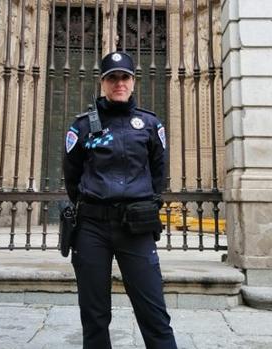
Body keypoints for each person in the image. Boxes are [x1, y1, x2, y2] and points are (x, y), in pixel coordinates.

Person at [63, 51, 178, 349]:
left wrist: (144, 204)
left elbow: (158, 172)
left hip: (135, 228)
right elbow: (71, 176)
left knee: (153, 312)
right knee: (94, 314)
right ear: (102, 83)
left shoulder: (150, 125)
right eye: (112, 78)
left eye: (124, 77)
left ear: (133, 81)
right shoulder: (83, 126)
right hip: (92, 229)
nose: (119, 83)